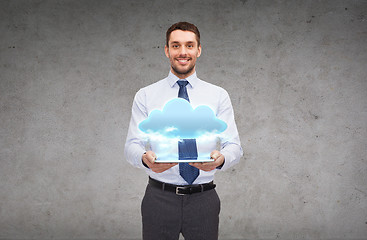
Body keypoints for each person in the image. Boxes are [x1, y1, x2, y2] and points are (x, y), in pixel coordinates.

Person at [124, 22, 243, 240]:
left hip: (203, 200)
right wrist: (144, 158)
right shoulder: (146, 95)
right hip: (158, 199)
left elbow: (234, 146)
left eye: (189, 45)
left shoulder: (218, 95)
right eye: (176, 45)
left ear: (198, 50)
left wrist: (220, 159)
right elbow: (132, 145)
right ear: (167, 50)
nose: (183, 52)